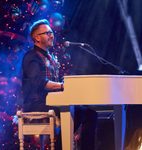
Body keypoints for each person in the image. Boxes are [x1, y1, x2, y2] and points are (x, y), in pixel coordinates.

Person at [22, 19, 97, 150]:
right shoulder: (31, 57)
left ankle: (64, 145)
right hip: (37, 103)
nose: (52, 35)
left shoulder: (49, 56)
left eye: (51, 32)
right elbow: (39, 82)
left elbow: (54, 83)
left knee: (89, 112)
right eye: (47, 33)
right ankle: (61, 146)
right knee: (81, 113)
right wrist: (63, 86)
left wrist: (70, 85)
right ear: (37, 38)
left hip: (51, 102)